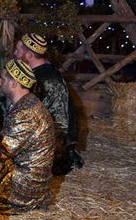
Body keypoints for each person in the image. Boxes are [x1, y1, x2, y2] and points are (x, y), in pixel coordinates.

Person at [14, 33, 84, 175]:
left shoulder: (43, 78)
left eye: (17, 50)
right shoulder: (41, 71)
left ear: (28, 56)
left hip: (53, 144)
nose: (14, 54)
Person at [0, 59, 55, 212]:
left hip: (27, 185)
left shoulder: (25, 114)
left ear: (14, 83)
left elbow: (2, 152)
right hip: (33, 177)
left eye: (2, 79)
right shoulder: (29, 102)